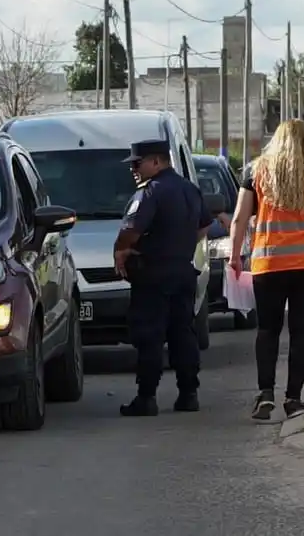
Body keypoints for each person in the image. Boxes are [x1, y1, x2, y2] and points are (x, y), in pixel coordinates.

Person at [227, 119, 304, 422]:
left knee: (267, 329)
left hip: (269, 262)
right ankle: (293, 399)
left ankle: (265, 394)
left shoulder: (256, 173)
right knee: (300, 330)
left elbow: (240, 217)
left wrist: (235, 254)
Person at [113, 140, 213, 417]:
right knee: (183, 333)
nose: (133, 169)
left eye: (137, 163)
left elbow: (131, 231)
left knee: (150, 335)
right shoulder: (189, 189)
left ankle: (146, 397)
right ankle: (188, 394)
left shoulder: (150, 192)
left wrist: (120, 252)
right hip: (182, 271)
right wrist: (179, 244)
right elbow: (204, 225)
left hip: (153, 274)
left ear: (156, 162)